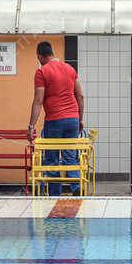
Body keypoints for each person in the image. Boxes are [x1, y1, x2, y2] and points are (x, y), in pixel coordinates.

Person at [27, 41, 85, 196]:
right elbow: (80, 95)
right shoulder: (70, 69)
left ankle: (55, 193)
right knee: (70, 156)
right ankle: (75, 187)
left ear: (39, 56)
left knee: (52, 158)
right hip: (73, 118)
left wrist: (31, 126)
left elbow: (38, 100)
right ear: (52, 53)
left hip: (54, 120)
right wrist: (80, 119)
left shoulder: (42, 72)